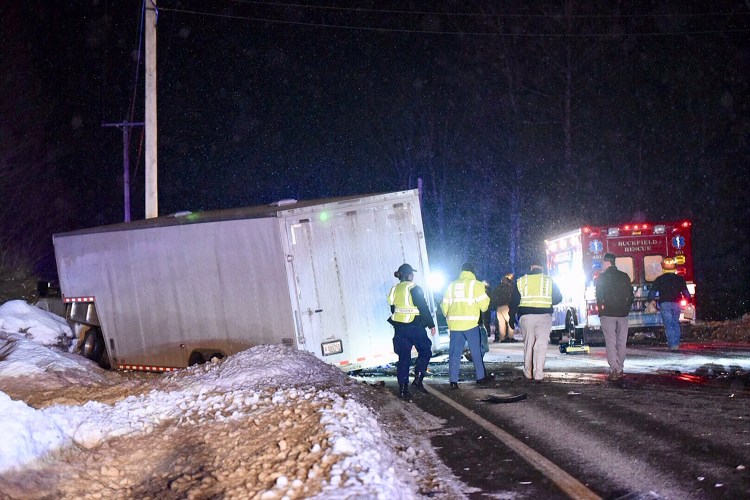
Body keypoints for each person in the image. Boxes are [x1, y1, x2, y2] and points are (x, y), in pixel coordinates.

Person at [441, 263, 495, 388]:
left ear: (461, 271)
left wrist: (449, 316)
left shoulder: (452, 285)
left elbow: (444, 306)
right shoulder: (476, 284)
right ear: (472, 272)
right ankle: (480, 377)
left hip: (455, 325)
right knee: (476, 351)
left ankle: (453, 381)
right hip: (471, 325)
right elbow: (484, 305)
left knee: (455, 353)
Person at [387, 263, 436, 399]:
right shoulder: (414, 288)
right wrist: (431, 324)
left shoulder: (395, 289)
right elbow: (423, 307)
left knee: (403, 357)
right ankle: (418, 380)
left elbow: (393, 308)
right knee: (425, 350)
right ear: (409, 275)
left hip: (399, 328)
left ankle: (403, 389)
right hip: (414, 326)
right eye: (412, 273)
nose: (413, 276)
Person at [509, 263, 562, 382]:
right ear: (541, 268)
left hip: (526, 317)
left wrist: (511, 317)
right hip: (544, 316)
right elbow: (558, 298)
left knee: (529, 344)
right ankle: (538, 373)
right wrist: (546, 302)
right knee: (541, 344)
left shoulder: (522, 281)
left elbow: (513, 301)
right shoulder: (549, 281)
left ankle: (528, 372)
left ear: (531, 268)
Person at [595, 253, 635, 381]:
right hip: (623, 314)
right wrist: (626, 308)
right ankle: (620, 367)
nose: (602, 265)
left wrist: (601, 310)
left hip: (608, 314)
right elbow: (631, 295)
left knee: (611, 342)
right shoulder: (624, 277)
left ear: (607, 263)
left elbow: (599, 296)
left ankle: (614, 369)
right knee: (621, 342)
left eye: (603, 263)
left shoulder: (602, 277)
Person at [647, 257, 691, 351]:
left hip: (664, 304)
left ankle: (672, 345)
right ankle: (677, 343)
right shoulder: (680, 279)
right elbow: (686, 293)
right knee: (675, 323)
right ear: (674, 267)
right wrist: (689, 301)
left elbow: (652, 293)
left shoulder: (659, 279)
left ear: (663, 267)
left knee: (668, 325)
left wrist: (650, 300)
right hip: (676, 304)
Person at [490, 274, 517, 343]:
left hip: (498, 307)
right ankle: (510, 337)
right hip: (506, 306)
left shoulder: (498, 287)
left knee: (501, 324)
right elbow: (512, 296)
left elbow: (493, 296)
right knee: (510, 322)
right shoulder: (509, 287)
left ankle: (502, 338)